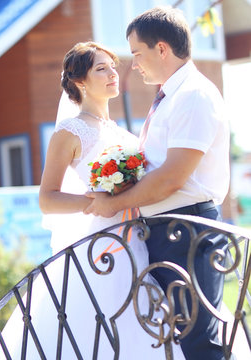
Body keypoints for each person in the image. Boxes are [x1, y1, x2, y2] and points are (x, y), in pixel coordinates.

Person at [0, 41, 184, 359]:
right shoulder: (69, 132)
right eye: (101, 68)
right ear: (79, 81)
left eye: (112, 66)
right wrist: (94, 201)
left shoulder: (124, 133)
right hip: (94, 251)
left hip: (135, 244)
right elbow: (47, 199)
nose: (113, 73)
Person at [84, 6, 231, 360]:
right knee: (181, 337)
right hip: (169, 230)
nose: (133, 64)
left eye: (137, 54)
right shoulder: (169, 97)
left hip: (189, 231)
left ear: (161, 49)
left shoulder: (193, 95)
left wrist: (113, 202)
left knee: (199, 340)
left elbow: (172, 177)